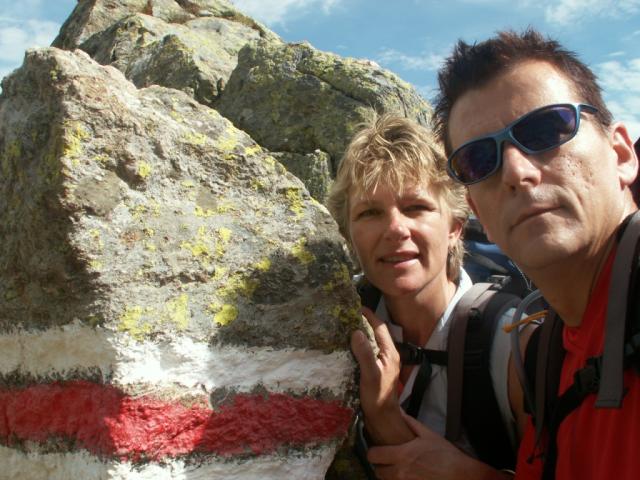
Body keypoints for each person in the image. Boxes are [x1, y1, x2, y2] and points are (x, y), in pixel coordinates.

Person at [364, 29, 640, 480]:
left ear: (621, 153)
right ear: (478, 213)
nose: (515, 171)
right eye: (479, 160)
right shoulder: (548, 357)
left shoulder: (519, 347)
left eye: (546, 130)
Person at [327, 114, 528, 477]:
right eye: (370, 212)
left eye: (415, 207)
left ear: (455, 227)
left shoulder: (512, 344)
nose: (395, 229)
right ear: (348, 235)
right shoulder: (330, 325)